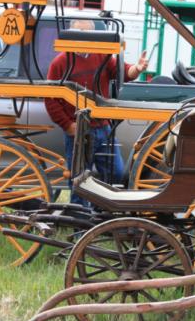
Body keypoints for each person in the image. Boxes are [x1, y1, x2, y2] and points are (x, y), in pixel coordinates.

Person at [45, 19, 148, 204]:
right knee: (79, 180)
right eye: (80, 32)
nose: (84, 37)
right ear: (72, 34)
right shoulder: (59, 63)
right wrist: (68, 125)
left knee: (115, 173)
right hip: (78, 132)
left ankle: (99, 212)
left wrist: (136, 69)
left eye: (88, 33)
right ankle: (79, 225)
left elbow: (122, 71)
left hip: (103, 128)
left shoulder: (102, 56)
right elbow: (50, 99)